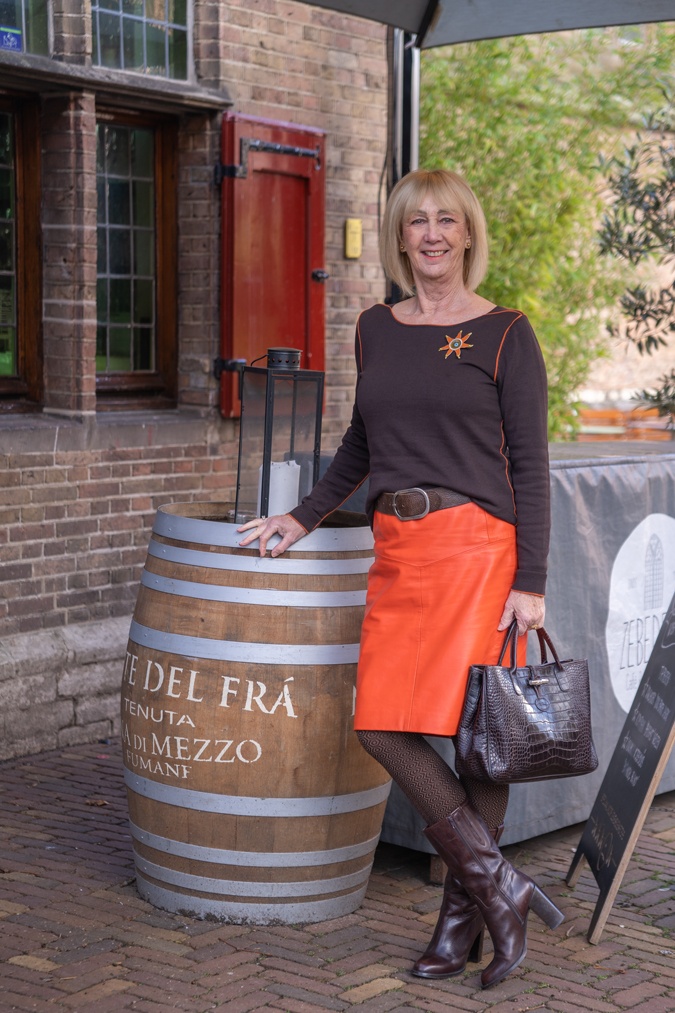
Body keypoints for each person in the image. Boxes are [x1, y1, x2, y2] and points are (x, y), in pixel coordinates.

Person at [238, 168, 563, 990]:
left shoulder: (504, 332)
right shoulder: (375, 327)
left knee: (476, 738)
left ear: (466, 235)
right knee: (380, 722)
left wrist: (532, 577)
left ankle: (460, 923)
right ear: (399, 235)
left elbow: (530, 463)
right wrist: (302, 515)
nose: (430, 234)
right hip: (400, 550)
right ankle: (501, 890)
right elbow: (360, 442)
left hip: (479, 552)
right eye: (415, 221)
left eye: (445, 220)